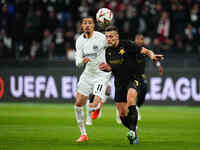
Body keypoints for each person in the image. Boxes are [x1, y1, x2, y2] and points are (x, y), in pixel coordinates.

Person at [99, 25, 164, 144]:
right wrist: (106, 68)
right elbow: (112, 67)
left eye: (111, 36)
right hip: (119, 82)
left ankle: (132, 133)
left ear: (117, 36)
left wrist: (153, 56)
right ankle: (133, 129)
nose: (109, 39)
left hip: (133, 78)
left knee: (131, 97)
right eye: (107, 37)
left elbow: (146, 51)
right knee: (122, 113)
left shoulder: (127, 45)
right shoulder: (108, 51)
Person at [74, 16, 111, 143]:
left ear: (94, 25)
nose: (87, 25)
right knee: (78, 104)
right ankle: (83, 134)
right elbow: (77, 60)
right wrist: (81, 61)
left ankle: (99, 104)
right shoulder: (79, 41)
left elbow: (113, 45)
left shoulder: (101, 37)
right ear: (82, 26)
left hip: (101, 74)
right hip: (87, 74)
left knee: (93, 105)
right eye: (85, 23)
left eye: (90, 23)